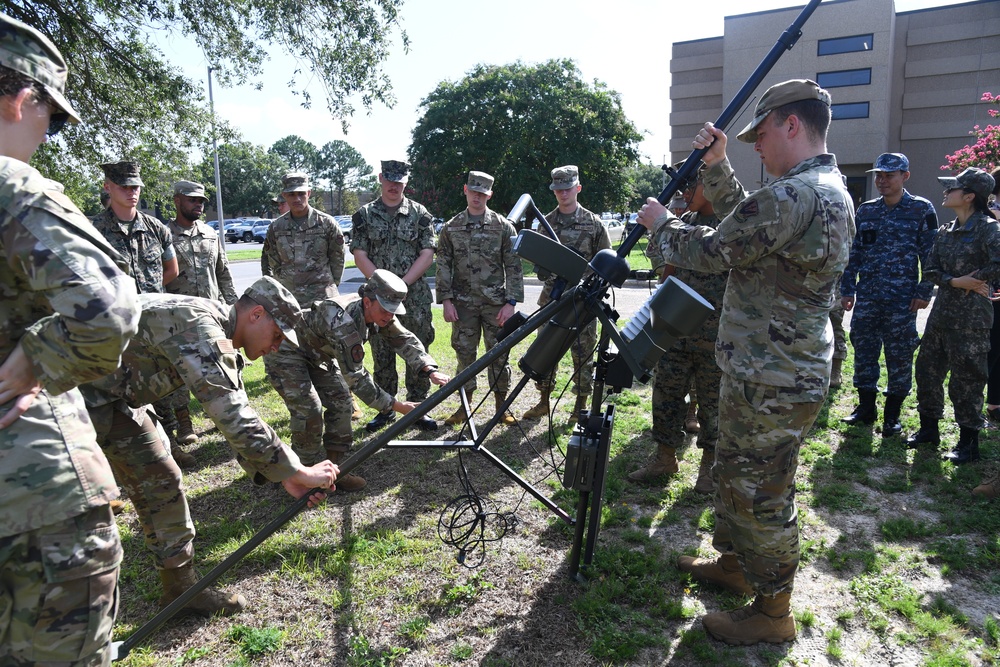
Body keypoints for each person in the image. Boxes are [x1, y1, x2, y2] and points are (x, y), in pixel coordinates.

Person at [638, 79, 854, 645]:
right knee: (736, 478)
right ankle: (736, 567)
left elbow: (714, 250)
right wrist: (718, 165)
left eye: (761, 134)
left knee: (762, 494)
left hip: (773, 377)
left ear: (790, 124)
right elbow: (748, 223)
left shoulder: (795, 195)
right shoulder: (821, 189)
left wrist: (662, 226)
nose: (757, 145)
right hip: (772, 369)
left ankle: (774, 612)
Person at [0, 14, 141, 665]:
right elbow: (108, 309)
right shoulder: (13, 188)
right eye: (51, 120)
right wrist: (29, 363)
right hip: (34, 500)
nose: (46, 137)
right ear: (20, 98)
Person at [80, 277, 339, 617]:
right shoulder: (199, 326)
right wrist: (299, 470)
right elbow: (233, 415)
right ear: (256, 315)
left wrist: (284, 476)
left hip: (113, 397)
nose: (276, 347)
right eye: (277, 335)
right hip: (62, 394)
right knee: (64, 505)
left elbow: (233, 416)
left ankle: (180, 588)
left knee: (160, 477)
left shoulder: (220, 336)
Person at [296, 270, 451, 488]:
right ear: (368, 302)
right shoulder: (343, 322)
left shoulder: (378, 313)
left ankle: (335, 470)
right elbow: (357, 378)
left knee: (342, 403)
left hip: (320, 355)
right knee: (308, 408)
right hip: (290, 351)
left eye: (393, 310)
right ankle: (304, 474)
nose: (390, 315)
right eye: (386, 309)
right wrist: (398, 406)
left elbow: (403, 339)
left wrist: (429, 369)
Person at [630, 169, 727, 494]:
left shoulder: (731, 225)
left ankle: (710, 469)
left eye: (691, 185)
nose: (685, 192)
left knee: (714, 403)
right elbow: (663, 269)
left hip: (716, 333)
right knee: (666, 394)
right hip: (673, 326)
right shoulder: (679, 221)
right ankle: (664, 457)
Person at [905, 167, 1000, 465]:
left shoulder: (989, 228)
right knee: (927, 372)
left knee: (967, 381)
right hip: (941, 315)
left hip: (971, 321)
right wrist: (956, 282)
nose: (947, 192)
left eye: (954, 188)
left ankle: (968, 443)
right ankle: (929, 431)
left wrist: (980, 278)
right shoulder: (945, 231)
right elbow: (931, 269)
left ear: (970, 196)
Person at [840, 153, 937, 435]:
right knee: (864, 352)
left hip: (902, 300)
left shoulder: (921, 209)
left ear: (904, 177)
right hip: (868, 296)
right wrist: (848, 289)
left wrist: (924, 291)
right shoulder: (867, 210)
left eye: (888, 175)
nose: (881, 181)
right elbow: (854, 253)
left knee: (900, 355)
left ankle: (892, 416)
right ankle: (865, 408)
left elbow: (931, 255)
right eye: (878, 176)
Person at [261, 171, 347, 466]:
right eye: (291, 194)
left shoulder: (326, 224)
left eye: (302, 193)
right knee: (304, 402)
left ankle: (337, 461)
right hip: (288, 319)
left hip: (320, 316)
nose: (297, 198)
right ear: (283, 196)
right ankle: (307, 463)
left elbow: (338, 262)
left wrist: (324, 293)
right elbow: (269, 267)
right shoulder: (276, 229)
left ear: (309, 193)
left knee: (337, 393)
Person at [351, 159, 438, 432]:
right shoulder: (364, 215)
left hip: (414, 297)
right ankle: (386, 408)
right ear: (380, 178)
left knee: (418, 347)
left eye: (399, 182)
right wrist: (381, 286)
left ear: (406, 183)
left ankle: (418, 407)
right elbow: (359, 253)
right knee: (382, 353)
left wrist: (401, 285)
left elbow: (427, 253)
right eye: (389, 180)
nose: (393, 186)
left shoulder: (419, 213)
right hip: (377, 299)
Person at [523, 165, 612, 420]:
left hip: (584, 301)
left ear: (578, 188)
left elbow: (604, 261)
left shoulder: (593, 223)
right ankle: (543, 401)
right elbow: (539, 265)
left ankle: (580, 405)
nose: (563, 194)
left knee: (582, 353)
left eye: (567, 188)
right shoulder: (547, 223)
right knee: (545, 350)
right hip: (553, 299)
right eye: (558, 189)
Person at [436, 171, 523, 426]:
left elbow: (514, 266)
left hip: (496, 306)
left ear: (490, 195)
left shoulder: (503, 226)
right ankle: (465, 407)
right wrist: (447, 300)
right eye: (473, 191)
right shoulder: (451, 227)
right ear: (465, 190)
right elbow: (442, 264)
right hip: (463, 305)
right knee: (464, 356)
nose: (477, 196)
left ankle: (501, 407)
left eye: (482, 193)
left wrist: (511, 303)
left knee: (499, 354)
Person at [165, 179, 238, 460]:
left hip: (211, 314)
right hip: (177, 317)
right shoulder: (165, 234)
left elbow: (224, 273)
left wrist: (231, 308)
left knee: (222, 366)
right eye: (193, 200)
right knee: (179, 373)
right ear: (177, 200)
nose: (198, 205)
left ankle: (226, 418)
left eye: (202, 201)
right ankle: (184, 422)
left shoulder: (210, 234)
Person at [91, 160, 178, 294]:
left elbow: (172, 270)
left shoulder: (156, 228)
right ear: (107, 187)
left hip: (154, 311)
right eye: (123, 187)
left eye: (135, 187)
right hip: (117, 311)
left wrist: (149, 292)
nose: (131, 192)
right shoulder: (93, 231)